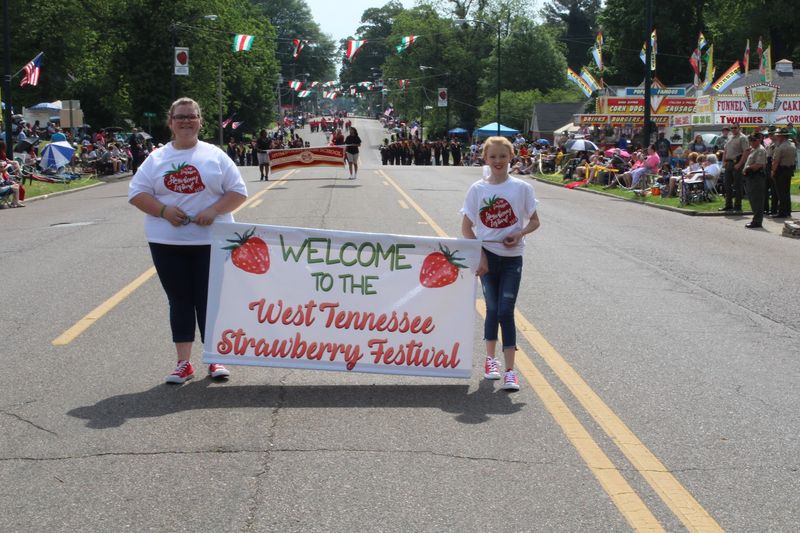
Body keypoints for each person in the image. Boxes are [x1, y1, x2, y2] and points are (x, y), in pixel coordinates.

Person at [128, 97, 248, 384]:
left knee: (210, 300)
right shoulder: (156, 158)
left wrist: (214, 211)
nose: (186, 121)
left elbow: (238, 192)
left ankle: (214, 357)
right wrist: (164, 211)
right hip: (167, 243)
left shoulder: (215, 155)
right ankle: (183, 364)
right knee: (180, 300)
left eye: (191, 116)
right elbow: (137, 194)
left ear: (200, 121)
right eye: (180, 117)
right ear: (170, 122)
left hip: (212, 241)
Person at [460, 136, 540, 392]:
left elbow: (535, 221)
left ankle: (510, 371)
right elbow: (466, 228)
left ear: (511, 157)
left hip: (512, 259)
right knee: (492, 308)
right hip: (487, 257)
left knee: (506, 310)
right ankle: (490, 360)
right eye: (493, 156)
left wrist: (519, 233)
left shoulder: (522, 188)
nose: (498, 161)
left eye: (503, 156)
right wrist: (480, 255)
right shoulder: (477, 190)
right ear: (485, 158)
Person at [720, 124, 748, 212]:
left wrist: (740, 164)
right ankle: (728, 205)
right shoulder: (730, 137)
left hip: (737, 162)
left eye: (735, 128)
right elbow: (725, 150)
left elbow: (746, 152)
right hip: (728, 163)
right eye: (731, 128)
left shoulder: (743, 138)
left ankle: (738, 206)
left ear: (739, 128)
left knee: (737, 185)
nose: (733, 129)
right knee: (727, 185)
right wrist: (723, 161)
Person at [742, 133, 767, 229]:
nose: (751, 142)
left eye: (753, 140)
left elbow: (759, 165)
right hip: (751, 177)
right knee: (752, 198)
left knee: (757, 199)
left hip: (756, 177)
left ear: (758, 140)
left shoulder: (760, 150)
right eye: (750, 140)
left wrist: (747, 168)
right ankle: (756, 219)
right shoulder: (754, 149)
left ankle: (757, 221)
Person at [770, 128, 797, 218]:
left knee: (781, 193)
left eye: (778, 135)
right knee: (786, 192)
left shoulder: (780, 147)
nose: (777, 137)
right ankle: (787, 211)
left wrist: (773, 171)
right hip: (789, 170)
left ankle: (782, 212)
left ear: (782, 136)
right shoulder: (792, 145)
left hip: (780, 171)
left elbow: (776, 161)